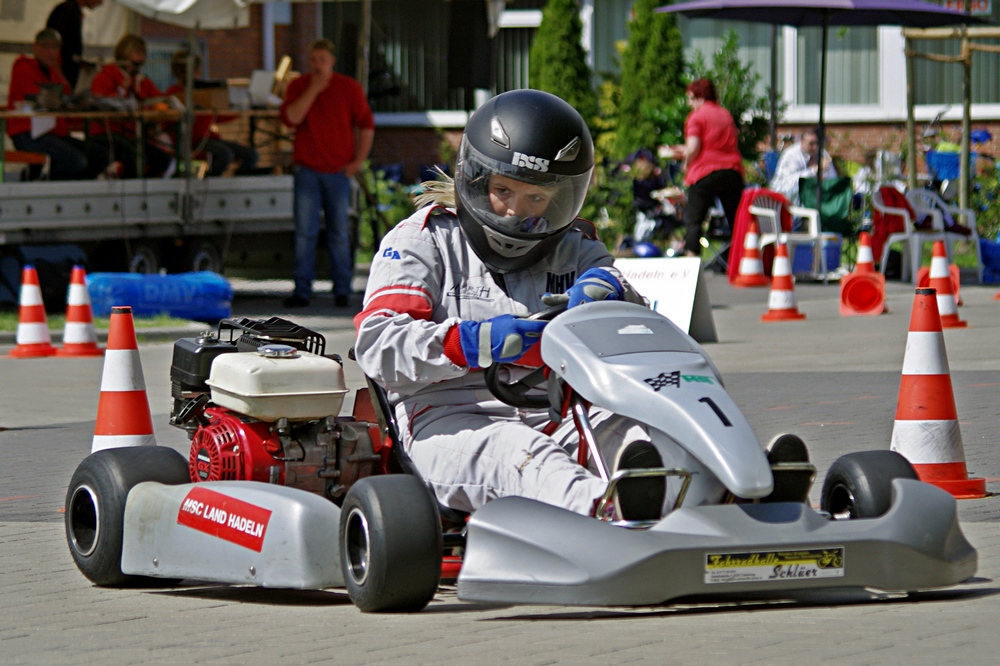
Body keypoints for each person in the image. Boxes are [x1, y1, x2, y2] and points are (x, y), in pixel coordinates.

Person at [353, 89, 669, 522]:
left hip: (555, 413)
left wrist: (607, 288)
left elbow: (625, 299)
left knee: (645, 435)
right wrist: (472, 342)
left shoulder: (574, 247)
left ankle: (723, 497)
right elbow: (377, 345)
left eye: (535, 199)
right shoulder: (424, 240)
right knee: (524, 455)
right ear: (477, 179)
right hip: (449, 418)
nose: (516, 213)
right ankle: (610, 516)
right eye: (503, 191)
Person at [280, 39, 375, 309]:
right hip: (307, 171)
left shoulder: (349, 88)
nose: (318, 64)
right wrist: (313, 89)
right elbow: (292, 118)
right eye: (314, 59)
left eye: (323, 59)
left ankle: (342, 290)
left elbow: (367, 125)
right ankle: (302, 290)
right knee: (304, 233)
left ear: (332, 61)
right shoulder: (299, 86)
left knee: (339, 233)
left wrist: (358, 161)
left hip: (338, 172)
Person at [6, 28, 107, 180]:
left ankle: (71, 189)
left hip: (51, 132)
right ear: (35, 47)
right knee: (76, 161)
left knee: (100, 156)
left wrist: (58, 71)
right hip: (27, 134)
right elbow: (42, 98)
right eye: (45, 46)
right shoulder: (23, 67)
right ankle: (45, 188)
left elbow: (66, 95)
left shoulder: (53, 73)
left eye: (55, 47)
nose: (50, 52)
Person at [667, 78, 744, 258]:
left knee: (694, 221)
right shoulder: (725, 114)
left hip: (705, 172)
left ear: (700, 98)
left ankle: (691, 262)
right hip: (732, 171)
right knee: (737, 221)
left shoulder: (697, 116)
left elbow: (693, 148)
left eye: (691, 98)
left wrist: (682, 156)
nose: (689, 103)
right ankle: (742, 261)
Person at [90, 34, 173, 179]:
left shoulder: (140, 80)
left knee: (164, 159)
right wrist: (122, 90)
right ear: (124, 55)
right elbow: (101, 103)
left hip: (132, 135)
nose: (140, 60)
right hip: (107, 133)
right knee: (137, 158)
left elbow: (158, 99)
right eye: (137, 54)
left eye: (142, 55)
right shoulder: (106, 75)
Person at [165, 51, 259, 177]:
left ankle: (237, 182)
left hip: (209, 138)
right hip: (192, 140)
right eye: (195, 70)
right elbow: (170, 121)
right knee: (225, 155)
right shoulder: (174, 93)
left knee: (252, 155)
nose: (198, 74)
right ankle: (210, 180)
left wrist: (239, 111)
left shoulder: (202, 92)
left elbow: (216, 115)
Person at [769, 128, 837, 206]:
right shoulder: (792, 155)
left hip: (812, 197)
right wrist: (813, 171)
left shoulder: (823, 154)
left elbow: (833, 178)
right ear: (802, 142)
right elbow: (788, 184)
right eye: (811, 144)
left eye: (817, 143)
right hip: (783, 197)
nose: (815, 147)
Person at [46, 0, 103, 92]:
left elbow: (68, 49)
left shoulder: (73, 10)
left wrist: (80, 62)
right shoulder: (68, 11)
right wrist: (60, 78)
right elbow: (52, 48)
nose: (101, 3)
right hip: (59, 80)